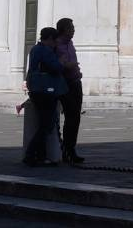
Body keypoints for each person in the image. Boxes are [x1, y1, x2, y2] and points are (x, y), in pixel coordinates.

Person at [22, 27, 66, 167]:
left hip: (36, 89)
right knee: (46, 124)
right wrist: (62, 62)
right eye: (55, 40)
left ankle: (40, 156)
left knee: (43, 123)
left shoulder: (35, 49)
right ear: (50, 39)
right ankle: (31, 154)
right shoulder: (46, 51)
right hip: (46, 90)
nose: (56, 44)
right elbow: (55, 67)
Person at [55, 17, 84, 165]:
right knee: (71, 116)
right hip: (65, 84)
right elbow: (60, 65)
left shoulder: (70, 43)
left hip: (76, 82)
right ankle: (67, 151)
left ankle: (71, 149)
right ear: (63, 29)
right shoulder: (57, 45)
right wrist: (69, 65)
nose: (73, 30)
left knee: (76, 117)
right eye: (70, 27)